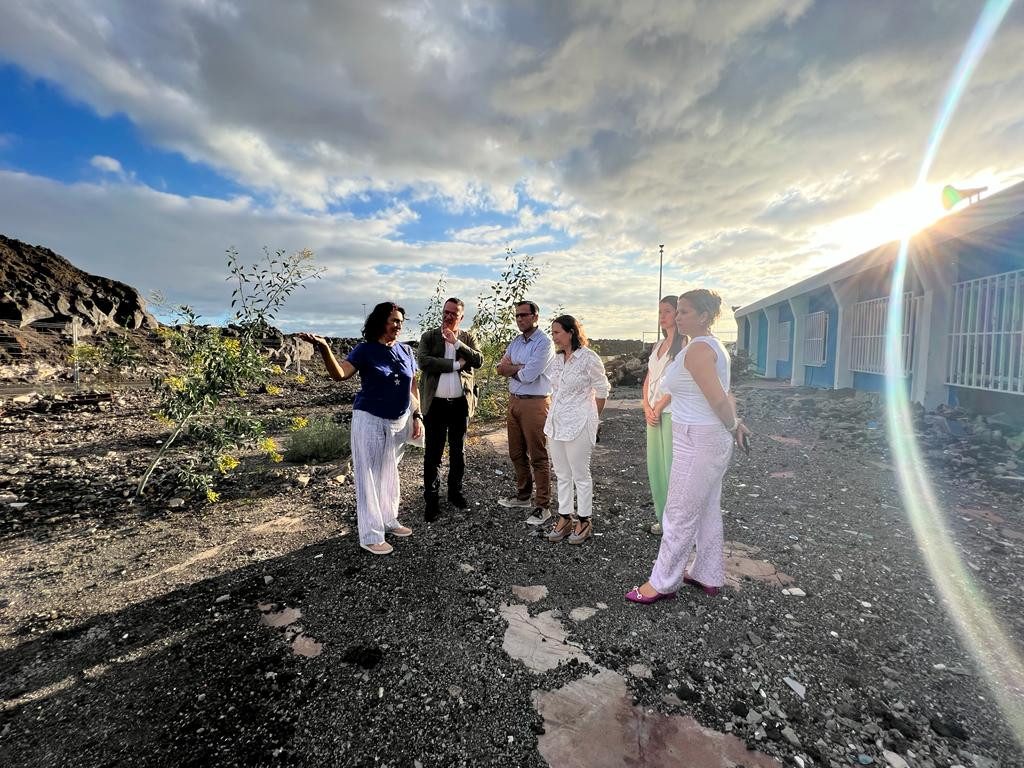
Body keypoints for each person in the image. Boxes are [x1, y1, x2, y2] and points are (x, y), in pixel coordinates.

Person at [626, 289, 751, 602]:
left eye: (683, 311)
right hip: (699, 435)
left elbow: (718, 398)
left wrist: (734, 424)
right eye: (677, 312)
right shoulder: (705, 346)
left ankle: (662, 582)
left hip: (699, 437)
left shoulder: (699, 350)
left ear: (704, 316)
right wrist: (735, 425)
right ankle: (707, 573)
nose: (677, 317)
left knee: (678, 512)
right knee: (706, 509)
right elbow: (724, 394)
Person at [299, 302, 422, 556]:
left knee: (389, 473)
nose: (398, 326)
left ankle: (389, 520)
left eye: (400, 321)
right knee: (368, 476)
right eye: (393, 321)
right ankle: (370, 534)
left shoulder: (407, 351)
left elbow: (413, 387)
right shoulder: (365, 350)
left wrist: (417, 415)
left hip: (398, 420)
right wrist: (324, 349)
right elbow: (340, 374)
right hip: (370, 419)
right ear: (380, 322)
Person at [543, 315, 610, 545]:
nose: (554, 337)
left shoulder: (588, 358)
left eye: (557, 332)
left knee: (580, 474)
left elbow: (602, 390)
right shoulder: (557, 360)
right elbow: (555, 390)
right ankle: (564, 518)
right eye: (552, 333)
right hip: (556, 423)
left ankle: (584, 520)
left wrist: (593, 418)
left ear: (571, 332)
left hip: (580, 423)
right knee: (562, 473)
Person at [417, 297, 484, 521]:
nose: (448, 316)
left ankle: (455, 493)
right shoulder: (429, 336)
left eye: (453, 314)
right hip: (435, 406)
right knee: (433, 455)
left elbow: (478, 360)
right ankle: (432, 501)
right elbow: (424, 362)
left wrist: (456, 344)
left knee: (458, 453)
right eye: (446, 312)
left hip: (459, 406)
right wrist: (455, 364)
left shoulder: (467, 338)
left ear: (461, 317)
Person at [495, 300, 555, 526]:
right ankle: (522, 497)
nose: (520, 319)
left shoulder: (544, 343)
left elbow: (529, 375)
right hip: (515, 402)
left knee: (538, 456)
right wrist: (518, 368)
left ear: (535, 317)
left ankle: (543, 506)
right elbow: (501, 368)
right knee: (516, 452)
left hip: (535, 404)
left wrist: (515, 368)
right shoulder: (516, 341)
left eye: (524, 315)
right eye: (517, 316)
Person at [642, 296, 686, 536]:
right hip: (653, 413)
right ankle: (663, 518)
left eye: (667, 311)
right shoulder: (657, 345)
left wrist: (658, 407)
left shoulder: (685, 345)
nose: (662, 316)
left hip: (671, 412)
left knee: (673, 469)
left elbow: (678, 382)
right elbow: (649, 378)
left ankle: (677, 525)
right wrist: (646, 406)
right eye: (660, 311)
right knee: (655, 467)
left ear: (678, 314)